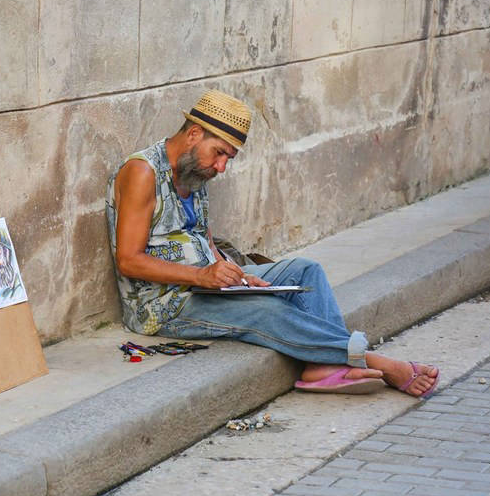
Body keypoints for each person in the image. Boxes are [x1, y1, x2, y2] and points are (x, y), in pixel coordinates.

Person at [105, 89, 439, 397]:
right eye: (219, 153)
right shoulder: (142, 172)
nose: (221, 167)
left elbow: (203, 240)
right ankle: (371, 361)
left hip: (203, 285)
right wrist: (201, 277)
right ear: (193, 134)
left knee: (306, 272)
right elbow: (129, 261)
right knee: (267, 310)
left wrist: (238, 275)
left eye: (228, 159)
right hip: (164, 306)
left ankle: (321, 367)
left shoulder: (195, 170)